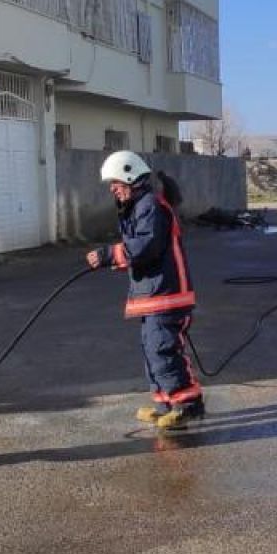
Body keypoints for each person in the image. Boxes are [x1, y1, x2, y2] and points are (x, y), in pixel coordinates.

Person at [85, 151, 203, 430]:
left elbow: (147, 246)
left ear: (129, 176)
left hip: (167, 296)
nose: (112, 189)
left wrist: (109, 254)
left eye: (115, 183)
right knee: (153, 350)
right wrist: (116, 257)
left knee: (163, 349)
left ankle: (187, 403)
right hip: (154, 296)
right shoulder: (139, 207)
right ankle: (165, 402)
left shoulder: (150, 205)